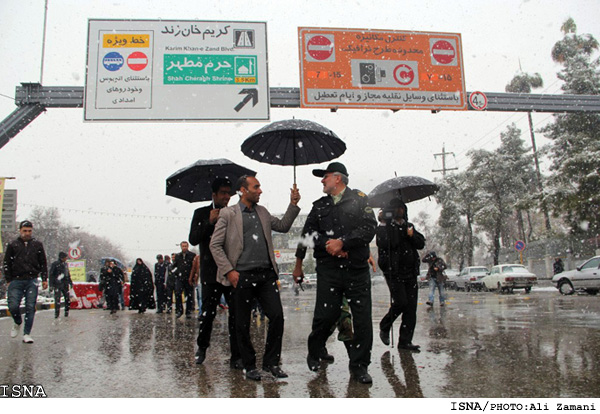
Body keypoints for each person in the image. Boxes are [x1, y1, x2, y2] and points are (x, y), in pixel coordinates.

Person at [293, 162, 377, 384]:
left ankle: (359, 366)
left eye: (326, 176)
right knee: (325, 315)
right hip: (329, 270)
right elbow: (307, 234)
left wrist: (344, 243)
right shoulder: (319, 206)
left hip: (356, 270)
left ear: (338, 178)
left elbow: (369, 228)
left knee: (362, 319)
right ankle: (315, 349)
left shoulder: (359, 199)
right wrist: (327, 246)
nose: (322, 180)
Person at [210, 175, 300, 381]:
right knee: (242, 323)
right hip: (241, 276)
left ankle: (271, 362)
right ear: (243, 190)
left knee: (277, 316)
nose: (260, 191)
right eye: (256, 187)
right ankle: (249, 365)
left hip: (266, 275)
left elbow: (284, 226)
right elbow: (214, 245)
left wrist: (293, 204)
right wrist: (229, 271)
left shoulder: (263, 212)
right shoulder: (228, 214)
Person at [188, 178, 242, 369]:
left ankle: (236, 355)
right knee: (208, 314)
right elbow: (193, 239)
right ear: (214, 195)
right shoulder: (201, 213)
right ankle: (202, 348)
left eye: (229, 193)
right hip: (211, 273)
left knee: (235, 315)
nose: (227, 196)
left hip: (231, 272)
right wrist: (208, 222)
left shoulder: (235, 213)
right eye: (223, 193)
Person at [376, 198, 426, 352]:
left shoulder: (409, 226)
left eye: (402, 209)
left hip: (410, 271)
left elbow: (420, 243)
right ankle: (385, 325)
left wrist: (411, 235)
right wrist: (386, 223)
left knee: (411, 308)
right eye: (396, 209)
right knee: (401, 302)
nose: (400, 212)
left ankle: (405, 341)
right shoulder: (383, 228)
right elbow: (388, 243)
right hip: (394, 271)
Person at [3, 220, 48, 343]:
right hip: (16, 280)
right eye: (25, 231)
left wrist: (44, 279)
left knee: (30, 307)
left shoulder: (37, 245)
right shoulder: (13, 245)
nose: (27, 233)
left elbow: (43, 262)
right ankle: (17, 322)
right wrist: (8, 279)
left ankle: (27, 333)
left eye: (29, 231)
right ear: (20, 231)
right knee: (13, 306)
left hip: (32, 280)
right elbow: (6, 262)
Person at [173, 242, 196, 318]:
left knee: (189, 295)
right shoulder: (178, 256)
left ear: (188, 246)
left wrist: (193, 276)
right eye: (183, 246)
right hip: (180, 278)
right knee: (178, 293)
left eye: (185, 246)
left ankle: (188, 311)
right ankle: (179, 310)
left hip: (189, 278)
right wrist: (176, 272)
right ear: (181, 247)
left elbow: (195, 266)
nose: (184, 248)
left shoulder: (192, 255)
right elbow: (174, 266)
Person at [49, 252, 74, 319]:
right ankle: (57, 313)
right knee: (57, 299)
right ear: (61, 257)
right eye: (65, 257)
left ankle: (66, 311)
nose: (66, 258)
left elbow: (67, 274)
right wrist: (51, 285)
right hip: (57, 284)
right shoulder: (55, 264)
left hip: (65, 284)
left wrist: (70, 282)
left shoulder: (65, 264)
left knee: (67, 298)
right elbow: (51, 275)